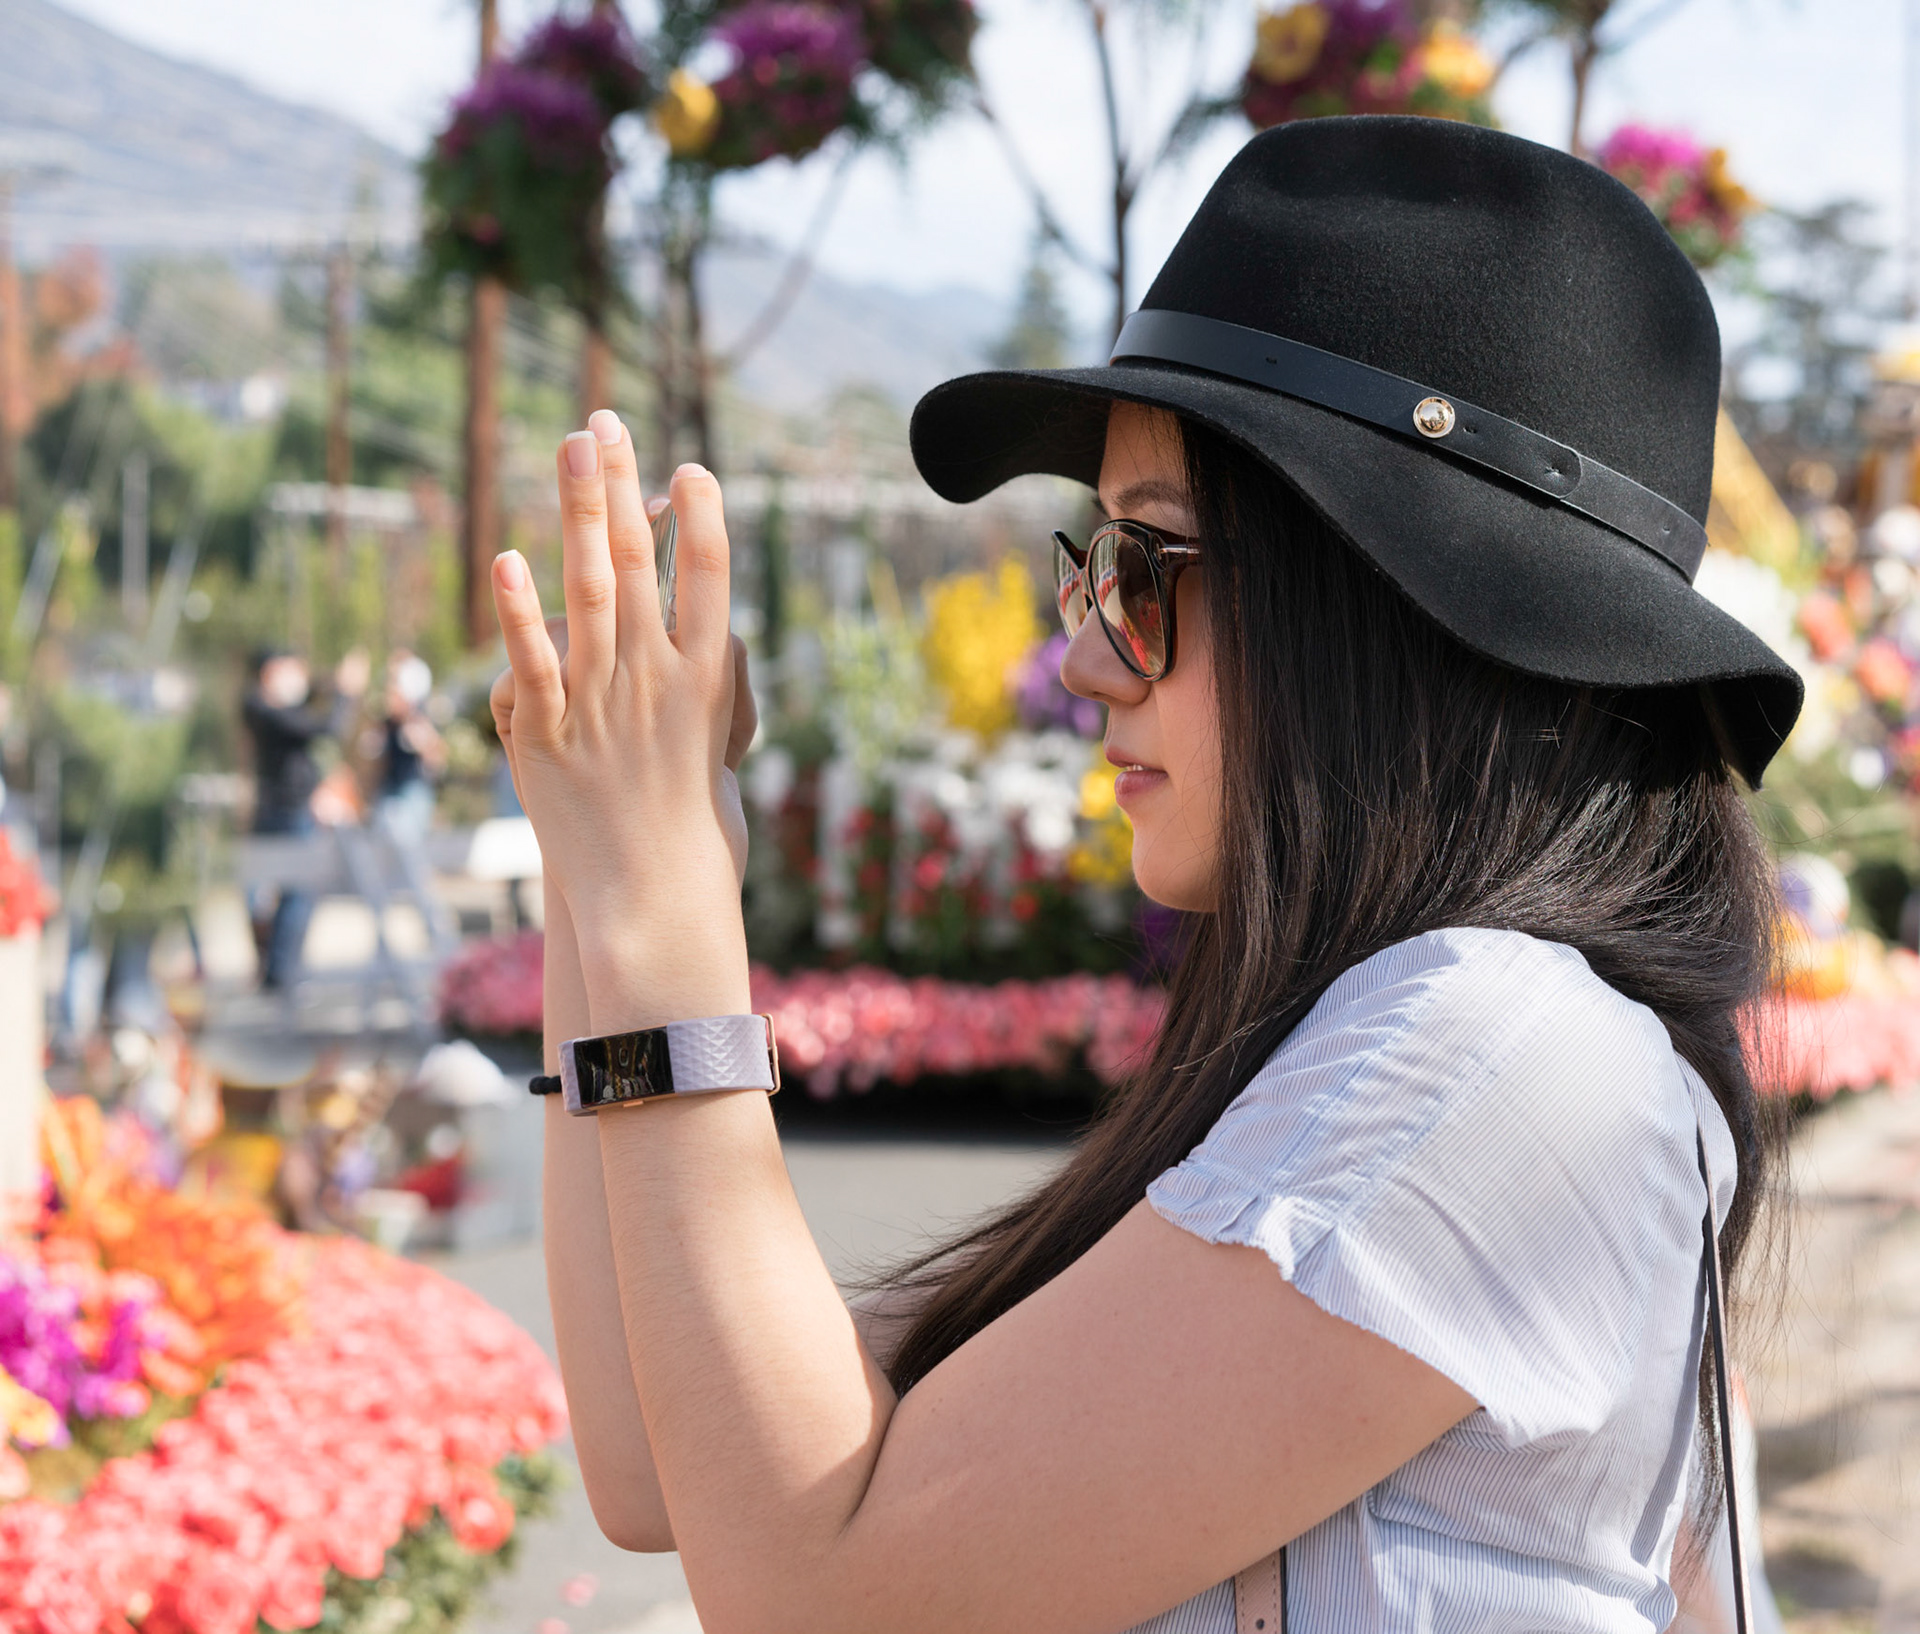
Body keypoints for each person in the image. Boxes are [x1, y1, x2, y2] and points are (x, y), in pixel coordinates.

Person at [488, 118, 1801, 1633]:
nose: (1083, 656)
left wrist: (664, 916)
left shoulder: (1503, 1049)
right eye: (1091, 564)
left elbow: (815, 1596)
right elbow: (676, 1462)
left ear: (1389, 604)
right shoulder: (1384, 1048)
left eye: (1149, 566)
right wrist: (616, 873)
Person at [242, 647, 367, 989]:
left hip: (295, 811)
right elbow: (324, 728)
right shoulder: (260, 706)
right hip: (283, 814)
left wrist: (334, 684)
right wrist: (346, 694)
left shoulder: (281, 707)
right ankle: (278, 971)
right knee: (286, 893)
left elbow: (312, 699)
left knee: (296, 893)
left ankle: (279, 971)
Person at [371, 649, 446, 847]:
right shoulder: (386, 723)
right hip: (391, 789)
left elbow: (436, 758)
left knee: (410, 851)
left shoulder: (419, 719)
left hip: (411, 790)